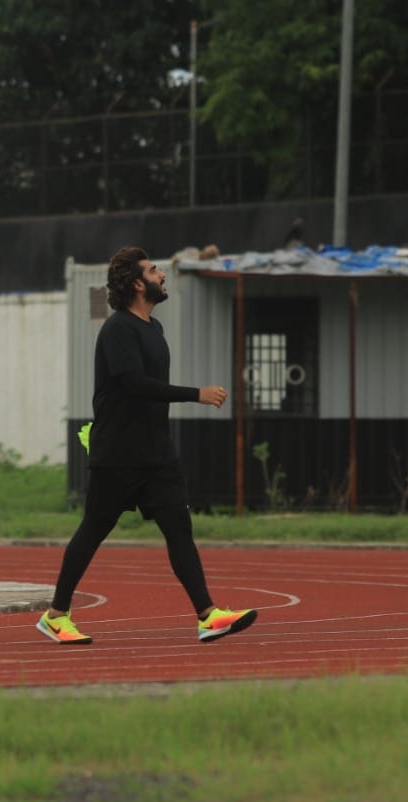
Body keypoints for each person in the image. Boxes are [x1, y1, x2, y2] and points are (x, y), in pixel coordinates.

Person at [37, 246, 258, 645]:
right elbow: (134, 385)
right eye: (156, 270)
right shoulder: (119, 328)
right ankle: (56, 615)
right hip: (118, 453)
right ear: (139, 284)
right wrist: (197, 394)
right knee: (93, 530)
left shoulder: (153, 329)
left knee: (179, 529)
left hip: (156, 453)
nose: (163, 275)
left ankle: (208, 616)